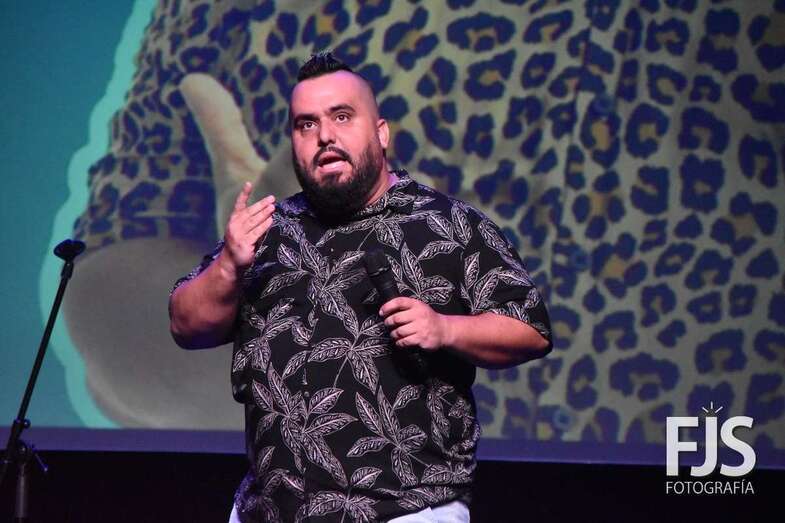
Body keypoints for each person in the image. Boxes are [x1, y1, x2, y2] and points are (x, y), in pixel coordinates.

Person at [170, 52, 551, 522]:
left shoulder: (447, 224)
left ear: (381, 132)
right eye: (306, 124)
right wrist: (229, 264)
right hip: (268, 510)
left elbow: (529, 328)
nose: (324, 136)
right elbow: (185, 325)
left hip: (404, 508)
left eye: (342, 116)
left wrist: (445, 329)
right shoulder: (266, 232)